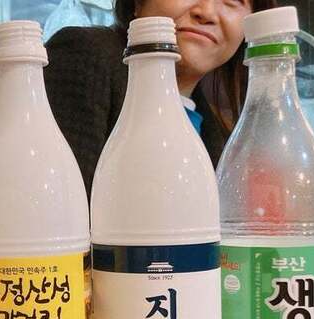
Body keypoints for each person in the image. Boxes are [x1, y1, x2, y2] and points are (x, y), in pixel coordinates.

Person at [44, 0, 278, 198]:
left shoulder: (215, 129)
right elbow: (59, 211)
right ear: (137, 3)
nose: (206, 12)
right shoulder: (86, 55)